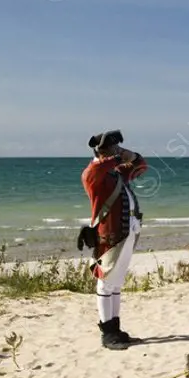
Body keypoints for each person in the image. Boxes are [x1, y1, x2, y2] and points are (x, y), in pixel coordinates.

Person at [79, 130, 147, 350]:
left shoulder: (115, 173)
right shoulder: (94, 172)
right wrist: (119, 158)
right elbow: (96, 169)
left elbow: (141, 166)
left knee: (116, 283)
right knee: (106, 282)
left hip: (127, 232)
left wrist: (131, 155)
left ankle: (116, 329)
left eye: (118, 147)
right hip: (110, 235)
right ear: (100, 151)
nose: (117, 150)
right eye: (112, 148)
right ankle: (107, 332)